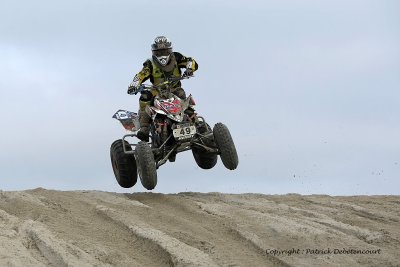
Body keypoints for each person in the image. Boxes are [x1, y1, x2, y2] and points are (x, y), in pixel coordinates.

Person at [127, 36, 198, 142]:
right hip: (156, 91)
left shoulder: (177, 57)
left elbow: (190, 61)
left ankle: (193, 119)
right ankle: (144, 128)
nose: (162, 55)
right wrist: (134, 84)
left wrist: (189, 69)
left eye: (165, 51)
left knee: (181, 94)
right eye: (159, 52)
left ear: (170, 50)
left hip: (174, 88)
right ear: (154, 52)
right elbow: (141, 75)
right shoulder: (150, 64)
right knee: (144, 97)